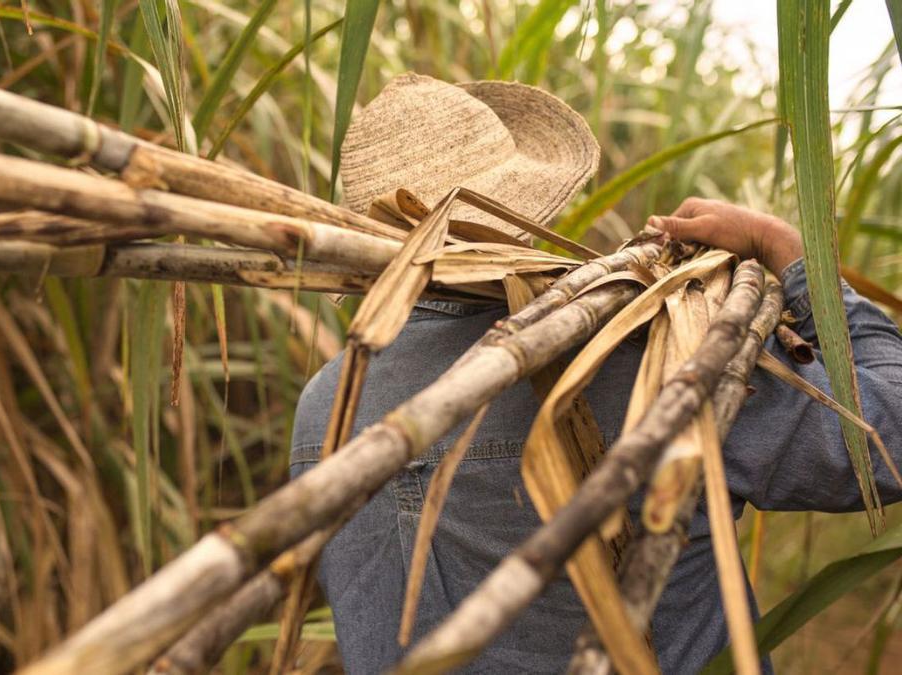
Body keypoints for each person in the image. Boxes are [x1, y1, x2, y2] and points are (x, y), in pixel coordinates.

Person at [290, 74, 902, 674]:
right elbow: (887, 439)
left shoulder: (323, 406)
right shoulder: (647, 357)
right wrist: (793, 255)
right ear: (524, 209)